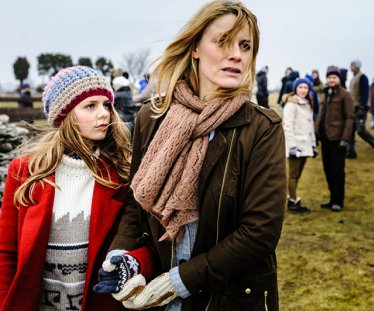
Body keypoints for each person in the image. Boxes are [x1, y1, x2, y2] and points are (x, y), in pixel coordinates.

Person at [93, 1, 286, 310]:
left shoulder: (261, 128)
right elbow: (137, 205)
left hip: (228, 298)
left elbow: (260, 231)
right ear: (195, 47)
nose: (236, 54)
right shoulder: (152, 118)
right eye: (223, 41)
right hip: (157, 300)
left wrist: (177, 282)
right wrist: (121, 255)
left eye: (245, 46)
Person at [0, 66, 132, 310]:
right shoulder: (25, 171)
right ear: (65, 114)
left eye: (106, 104)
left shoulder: (121, 173)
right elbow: (6, 252)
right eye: (90, 106)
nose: (104, 114)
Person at [315, 66, 354, 212]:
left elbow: (350, 118)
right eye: (329, 77)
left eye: (334, 77)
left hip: (338, 139)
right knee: (328, 170)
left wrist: (345, 139)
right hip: (325, 139)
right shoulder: (326, 94)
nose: (331, 80)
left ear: (339, 79)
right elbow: (320, 115)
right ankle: (332, 198)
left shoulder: (345, 95)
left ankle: (338, 201)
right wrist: (316, 131)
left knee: (338, 171)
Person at [283, 78, 318, 214]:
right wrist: (291, 147)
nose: (303, 90)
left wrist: (313, 145)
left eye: (305, 88)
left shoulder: (307, 104)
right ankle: (292, 201)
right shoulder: (291, 104)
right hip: (295, 146)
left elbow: (310, 127)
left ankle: (292, 198)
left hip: (305, 145)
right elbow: (287, 126)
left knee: (297, 175)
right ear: (295, 89)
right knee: (292, 175)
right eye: (300, 87)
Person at [347, 60, 374, 159]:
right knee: (351, 130)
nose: (350, 67)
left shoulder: (362, 77)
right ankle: (350, 151)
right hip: (354, 107)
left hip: (360, 108)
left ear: (357, 66)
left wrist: (362, 106)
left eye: (352, 65)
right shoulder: (354, 78)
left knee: (361, 130)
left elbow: (364, 92)